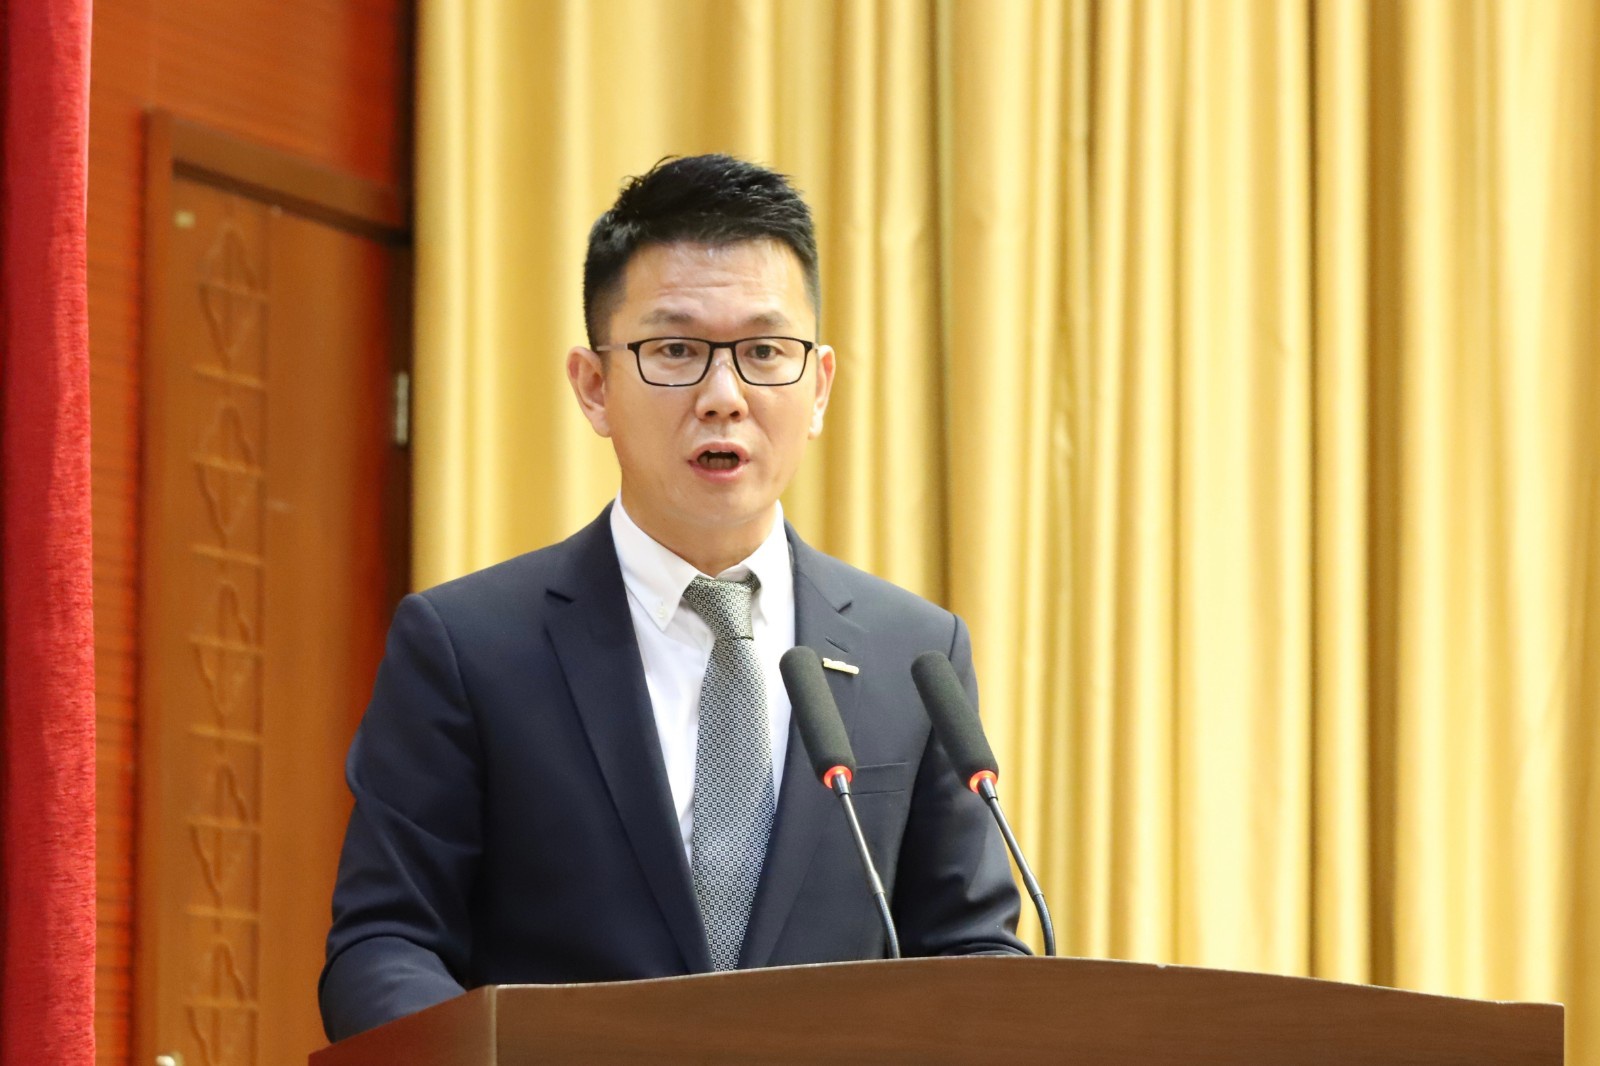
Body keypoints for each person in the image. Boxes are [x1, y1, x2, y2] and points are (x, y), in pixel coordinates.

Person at [318, 154, 1025, 1042]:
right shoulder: (469, 647)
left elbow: (969, 950)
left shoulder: (913, 655)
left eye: (764, 352)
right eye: (677, 351)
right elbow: (386, 942)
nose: (724, 397)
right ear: (594, 387)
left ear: (818, 388)